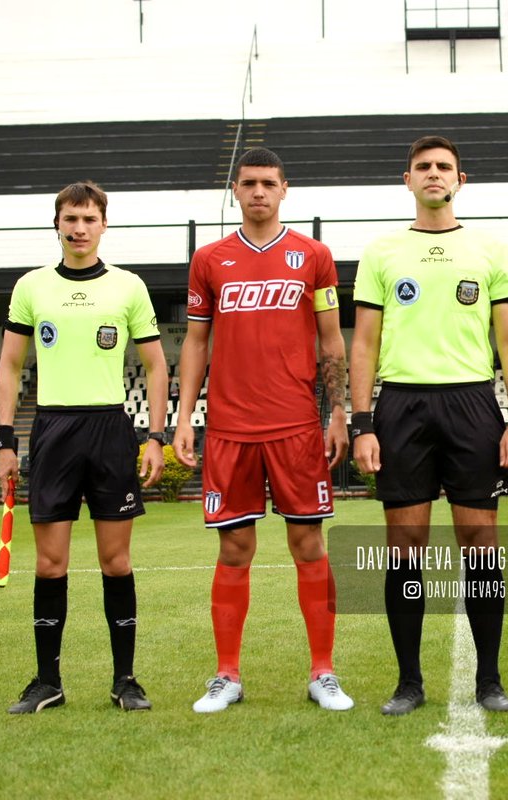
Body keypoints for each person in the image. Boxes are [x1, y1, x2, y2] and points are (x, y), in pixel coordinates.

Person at [350, 135, 508, 716]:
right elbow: (366, 344)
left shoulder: (489, 249)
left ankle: (490, 679)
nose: (433, 175)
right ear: (407, 180)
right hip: (401, 406)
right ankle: (409, 682)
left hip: (473, 404)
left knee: (480, 542)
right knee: (405, 547)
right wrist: (362, 423)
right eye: (423, 167)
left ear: (461, 179)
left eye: (443, 167)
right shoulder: (381, 252)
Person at [173, 147, 354, 714]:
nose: (258, 192)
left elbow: (331, 340)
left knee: (308, 544)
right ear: (235, 190)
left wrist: (339, 411)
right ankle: (227, 675)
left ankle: (322, 672)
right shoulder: (209, 260)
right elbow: (197, 341)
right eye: (248, 183)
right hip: (229, 427)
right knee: (234, 548)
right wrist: (183, 415)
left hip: (296, 426)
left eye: (268, 183)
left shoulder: (313, 257)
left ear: (284, 189)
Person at [0, 180, 168, 714]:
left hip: (110, 430)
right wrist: (4, 439)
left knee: (116, 561)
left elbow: (157, 364)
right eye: (70, 219)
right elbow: (9, 364)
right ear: (57, 224)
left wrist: (155, 436)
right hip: (52, 429)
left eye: (89, 219)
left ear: (103, 225)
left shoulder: (128, 287)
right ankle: (48, 680)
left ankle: (125, 680)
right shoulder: (31, 286)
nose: (79, 228)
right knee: (50, 563)